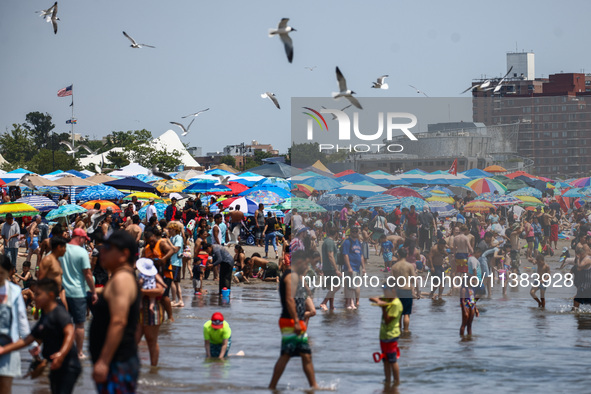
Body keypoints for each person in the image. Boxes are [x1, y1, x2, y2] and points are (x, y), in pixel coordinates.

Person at [0, 278, 80, 394]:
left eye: (38, 294)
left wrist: (61, 355)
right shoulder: (45, 317)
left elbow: (70, 333)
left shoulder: (59, 313)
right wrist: (3, 350)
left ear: (51, 295)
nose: (34, 297)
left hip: (68, 366)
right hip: (55, 364)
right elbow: (27, 340)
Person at [89, 230, 141, 391]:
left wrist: (103, 361)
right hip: (116, 360)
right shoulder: (118, 278)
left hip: (117, 361)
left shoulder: (122, 279)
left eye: (108, 248)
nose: (102, 251)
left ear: (124, 254)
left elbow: (119, 321)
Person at [269, 250, 318, 390]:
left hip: (294, 321)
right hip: (291, 322)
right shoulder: (291, 277)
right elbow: (289, 300)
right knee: (286, 355)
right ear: (299, 262)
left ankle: (313, 386)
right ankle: (272, 387)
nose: (307, 268)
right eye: (306, 264)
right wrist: (296, 320)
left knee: (306, 355)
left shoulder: (294, 276)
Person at [60, 228, 97, 359]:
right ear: (80, 238)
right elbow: (87, 274)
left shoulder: (61, 249)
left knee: (63, 323)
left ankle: (63, 350)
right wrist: (93, 292)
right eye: (84, 240)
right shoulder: (82, 252)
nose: (84, 243)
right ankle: (79, 352)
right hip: (78, 293)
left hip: (62, 293)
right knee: (79, 324)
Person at [0, 254, 30, 393]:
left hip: (9, 348)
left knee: (5, 389)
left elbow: (22, 322)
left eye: (1, 273)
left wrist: (34, 348)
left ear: (8, 272)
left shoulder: (15, 291)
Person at [369, 283, 403, 386]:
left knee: (392, 360)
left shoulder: (396, 304)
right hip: (383, 335)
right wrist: (379, 301)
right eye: (383, 291)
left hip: (392, 335)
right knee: (385, 359)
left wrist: (383, 307)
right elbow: (371, 298)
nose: (384, 293)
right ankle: (387, 381)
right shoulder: (387, 299)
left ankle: (396, 382)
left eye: (386, 291)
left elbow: (388, 320)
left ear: (393, 290)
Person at [391, 248, 416, 332]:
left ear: (398, 255)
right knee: (406, 314)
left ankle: (399, 332)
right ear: (407, 255)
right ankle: (406, 331)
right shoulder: (409, 266)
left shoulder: (394, 266)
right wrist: (417, 291)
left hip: (397, 291)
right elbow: (414, 279)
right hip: (407, 290)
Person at [342, 226, 366, 310]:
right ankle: (348, 303)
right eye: (353, 231)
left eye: (356, 232)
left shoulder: (358, 242)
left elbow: (361, 255)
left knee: (353, 287)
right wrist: (349, 267)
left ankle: (351, 302)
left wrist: (363, 267)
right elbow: (345, 255)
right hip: (350, 267)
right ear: (350, 232)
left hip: (357, 268)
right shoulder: (347, 242)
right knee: (349, 287)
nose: (355, 233)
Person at [318, 227, 341, 311]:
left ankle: (331, 305)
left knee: (331, 287)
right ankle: (324, 302)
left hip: (326, 267)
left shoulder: (325, 242)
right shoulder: (330, 242)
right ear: (336, 234)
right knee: (337, 286)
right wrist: (336, 269)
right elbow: (330, 256)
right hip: (331, 268)